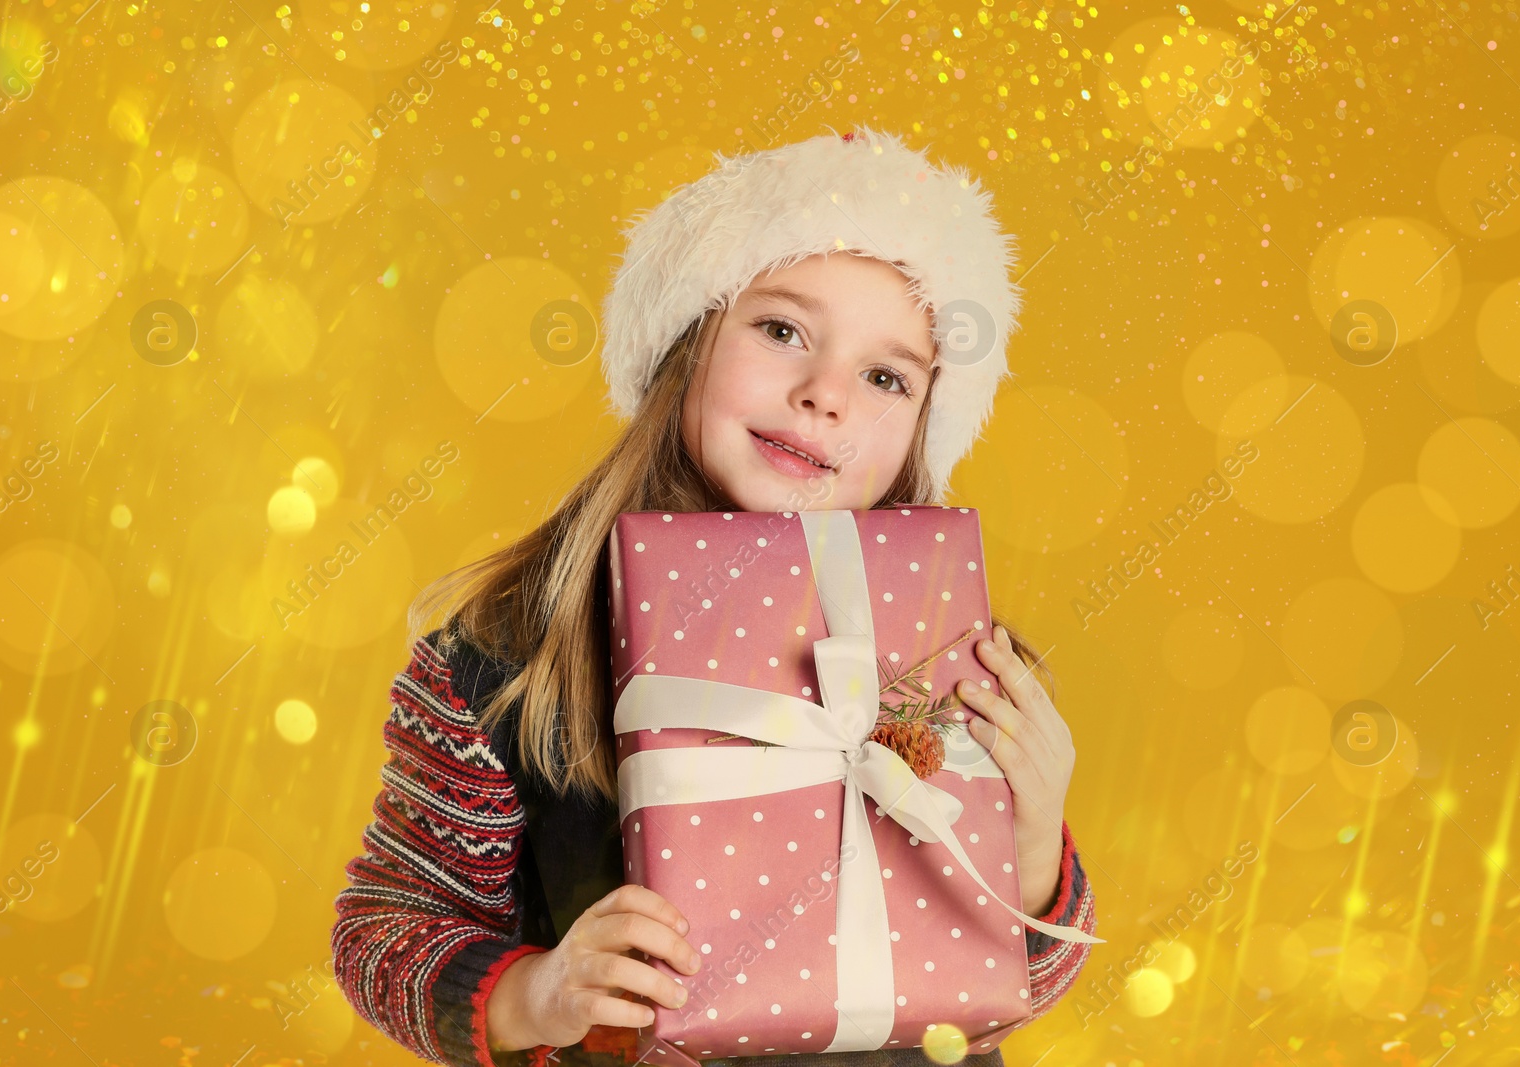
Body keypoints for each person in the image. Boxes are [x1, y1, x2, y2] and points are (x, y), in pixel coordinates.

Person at [330, 126, 1098, 1067]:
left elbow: (1006, 991)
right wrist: (541, 991)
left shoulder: (958, 658)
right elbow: (386, 927)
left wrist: (1030, 847)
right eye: (782, 330)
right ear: (686, 341)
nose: (825, 395)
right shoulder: (504, 655)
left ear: (920, 433)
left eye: (885, 376)